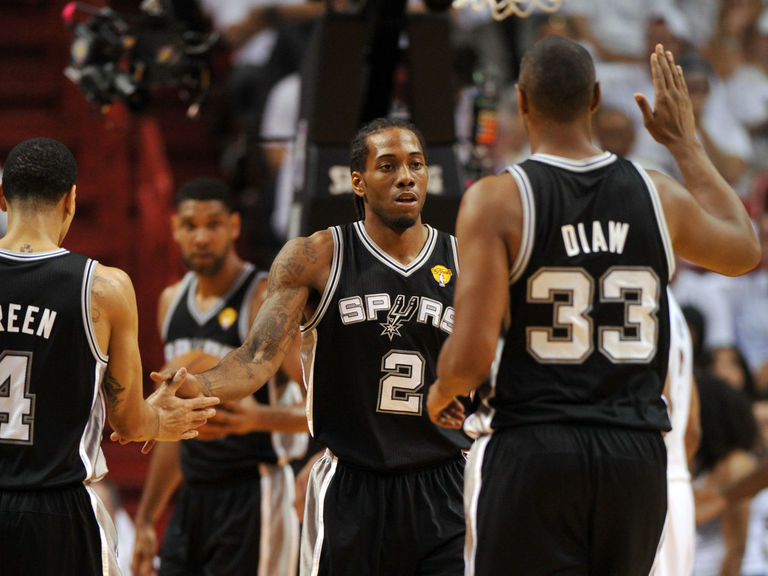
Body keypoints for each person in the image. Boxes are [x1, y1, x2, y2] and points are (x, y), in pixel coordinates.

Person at [426, 37, 760, 576]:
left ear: (523, 101)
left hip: (535, 447)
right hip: (635, 455)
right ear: (596, 98)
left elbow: (469, 356)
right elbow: (744, 251)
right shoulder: (657, 193)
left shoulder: (498, 199)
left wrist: (441, 391)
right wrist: (686, 144)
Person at [140, 117, 472, 575]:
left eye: (416, 165)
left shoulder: (464, 259)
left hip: (444, 482)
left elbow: (495, 362)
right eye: (388, 166)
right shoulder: (314, 258)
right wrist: (197, 383)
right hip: (353, 484)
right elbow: (256, 357)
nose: (406, 177)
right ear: (357, 181)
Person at [0, 137, 220, 575]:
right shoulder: (104, 288)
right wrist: (159, 419)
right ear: (71, 200)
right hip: (55, 511)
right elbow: (127, 423)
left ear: (3, 198)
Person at [130, 177, 308, 576]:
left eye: (213, 224)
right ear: (175, 228)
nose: (202, 237)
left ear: (234, 226)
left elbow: (322, 407)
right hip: (193, 495)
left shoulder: (265, 298)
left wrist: (259, 419)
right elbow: (169, 428)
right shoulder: (170, 301)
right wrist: (145, 519)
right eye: (191, 225)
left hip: (255, 489)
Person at [654, 289, 701, 576]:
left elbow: (660, 400)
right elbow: (693, 426)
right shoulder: (676, 309)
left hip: (643, 479)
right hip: (679, 484)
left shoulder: (638, 285)